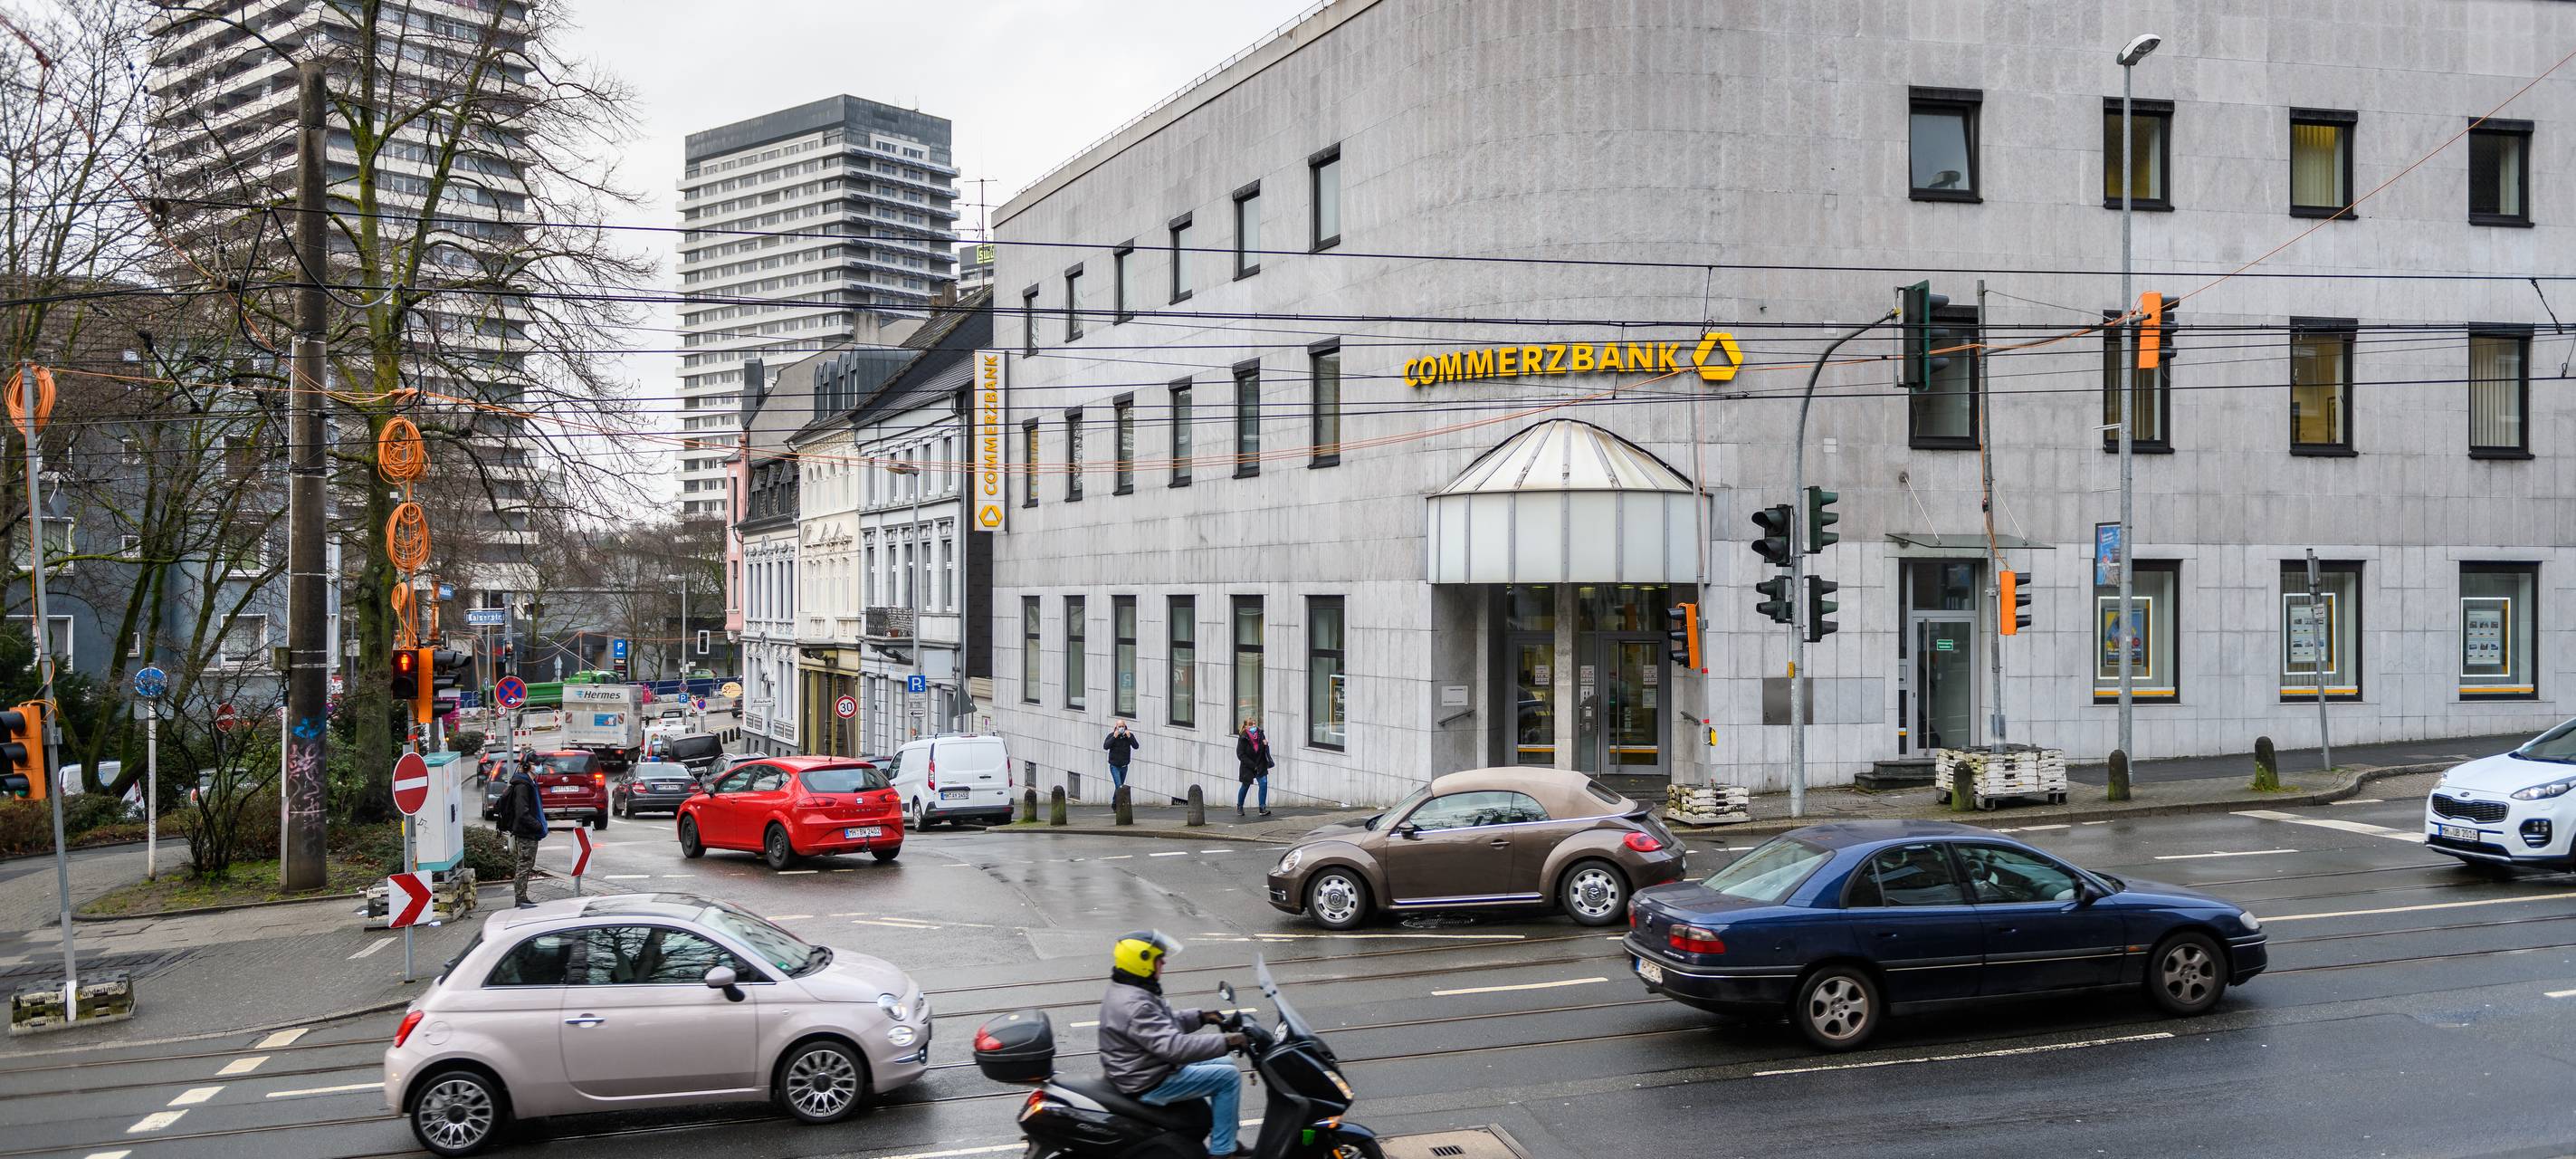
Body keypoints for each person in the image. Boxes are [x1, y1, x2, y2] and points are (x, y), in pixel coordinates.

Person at [1098, 931, 1246, 1156]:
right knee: (1228, 1078)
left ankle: (1226, 1136)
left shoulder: (1130, 989)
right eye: (1159, 958)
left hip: (1143, 1066)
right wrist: (1228, 1041)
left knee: (1224, 1061)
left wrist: (1202, 1017)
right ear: (1143, 962)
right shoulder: (1136, 1004)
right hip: (1146, 1079)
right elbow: (1175, 1048)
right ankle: (1223, 1150)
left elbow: (1163, 1025)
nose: (1164, 962)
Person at [491, 761, 547, 906]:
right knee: (524, 865)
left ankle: (522, 898)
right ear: (528, 767)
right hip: (526, 831)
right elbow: (522, 812)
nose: (539, 767)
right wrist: (538, 826)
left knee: (527, 864)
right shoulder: (523, 786)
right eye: (536, 764)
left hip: (527, 831)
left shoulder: (527, 783)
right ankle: (520, 899)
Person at [1235, 720, 1274, 818]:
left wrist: (1265, 745)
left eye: (1255, 724)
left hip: (1260, 763)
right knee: (1245, 785)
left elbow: (1264, 750)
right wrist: (1252, 765)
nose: (1254, 726)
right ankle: (1240, 806)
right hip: (1248, 766)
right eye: (1251, 724)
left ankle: (1262, 808)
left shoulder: (1260, 733)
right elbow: (1240, 754)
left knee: (1263, 783)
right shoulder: (1243, 737)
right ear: (1246, 726)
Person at [1103, 721, 1141, 793]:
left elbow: (1136, 746)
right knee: (1119, 787)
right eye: (1119, 726)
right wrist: (1114, 737)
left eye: (1122, 726)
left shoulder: (1129, 736)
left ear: (1125, 727)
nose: (1121, 728)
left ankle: (1115, 804)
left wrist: (1129, 737)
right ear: (1116, 727)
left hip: (1124, 766)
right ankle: (1119, 803)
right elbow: (1105, 746)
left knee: (1119, 787)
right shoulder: (1111, 735)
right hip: (1114, 766)